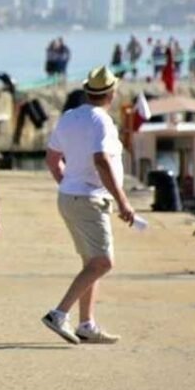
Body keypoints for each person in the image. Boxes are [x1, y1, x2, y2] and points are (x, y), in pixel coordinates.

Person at [43, 66, 135, 345]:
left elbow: (52, 158)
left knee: (90, 262)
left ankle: (86, 324)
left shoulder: (70, 117)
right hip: (89, 199)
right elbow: (101, 160)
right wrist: (123, 201)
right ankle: (59, 313)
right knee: (103, 262)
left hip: (70, 197)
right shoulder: (101, 121)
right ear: (111, 93)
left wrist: (67, 183)